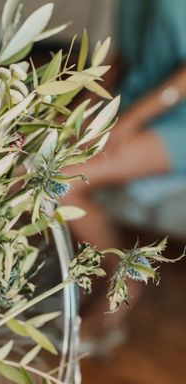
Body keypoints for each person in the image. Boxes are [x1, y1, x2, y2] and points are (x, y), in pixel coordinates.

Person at [64, 0, 186, 350]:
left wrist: (130, 122)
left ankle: (123, 281)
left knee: (61, 181)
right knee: (40, 160)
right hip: (134, 104)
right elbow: (122, 58)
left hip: (177, 117)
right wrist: (78, 111)